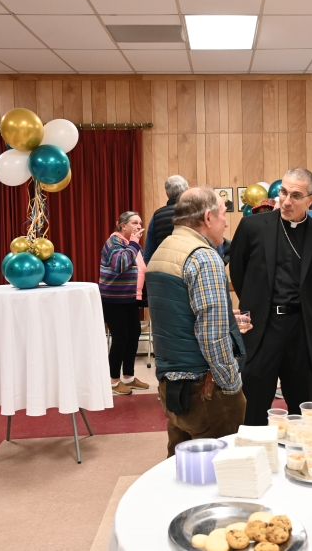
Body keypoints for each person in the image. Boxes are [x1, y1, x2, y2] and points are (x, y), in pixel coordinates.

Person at [145, 187, 250, 456]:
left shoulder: (161, 252)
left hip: (171, 385)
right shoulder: (204, 257)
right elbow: (211, 335)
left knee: (181, 469)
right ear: (207, 217)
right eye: (224, 213)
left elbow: (177, 316)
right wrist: (231, 385)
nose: (226, 221)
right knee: (223, 471)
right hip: (205, 388)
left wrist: (227, 319)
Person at [231, 168, 312, 424]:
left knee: (303, 405)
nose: (287, 201)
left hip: (300, 329)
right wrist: (254, 306)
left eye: (296, 195)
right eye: (283, 192)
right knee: (254, 401)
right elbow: (238, 271)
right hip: (261, 327)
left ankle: (299, 457)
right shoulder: (252, 227)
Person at [99, 211, 150, 396]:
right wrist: (135, 244)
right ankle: (113, 381)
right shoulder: (114, 242)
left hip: (129, 297)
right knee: (120, 338)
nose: (138, 227)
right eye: (134, 223)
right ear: (122, 225)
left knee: (133, 334)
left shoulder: (130, 244)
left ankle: (128, 376)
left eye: (140, 223)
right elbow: (120, 264)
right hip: (113, 299)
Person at [143, 175, 189, 264]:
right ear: (187, 190)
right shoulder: (196, 212)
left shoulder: (156, 216)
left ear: (167, 194)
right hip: (190, 265)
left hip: (165, 268)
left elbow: (149, 252)